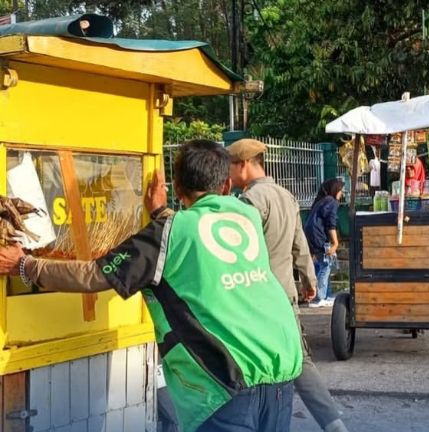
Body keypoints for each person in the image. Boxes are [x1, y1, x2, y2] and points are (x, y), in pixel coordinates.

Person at [0, 140, 302, 432]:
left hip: (227, 380)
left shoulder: (166, 234)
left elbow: (95, 275)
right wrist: (159, 213)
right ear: (226, 186)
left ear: (178, 188)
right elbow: (198, 229)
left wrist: (25, 265)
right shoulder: (245, 215)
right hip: (281, 366)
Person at [226, 139, 350, 432]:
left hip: (256, 300)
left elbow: (238, 253)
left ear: (243, 165)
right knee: (298, 360)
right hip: (286, 297)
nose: (228, 175)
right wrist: (309, 282)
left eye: (230, 166)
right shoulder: (285, 195)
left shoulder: (250, 202)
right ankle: (333, 424)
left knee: (253, 368)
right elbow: (300, 246)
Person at [304, 178, 344, 308]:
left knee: (325, 264)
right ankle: (318, 298)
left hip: (312, 234)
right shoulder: (331, 202)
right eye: (340, 190)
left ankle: (324, 295)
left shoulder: (321, 201)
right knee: (325, 265)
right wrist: (335, 243)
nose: (341, 193)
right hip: (318, 236)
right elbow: (330, 224)